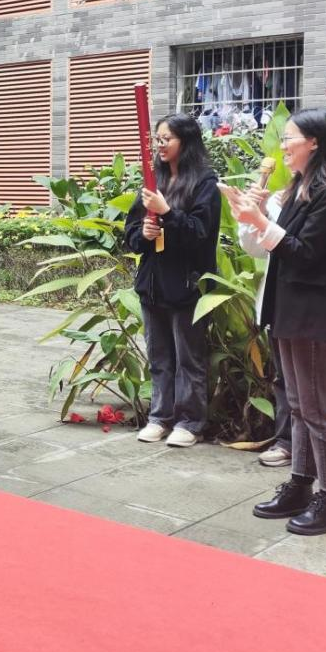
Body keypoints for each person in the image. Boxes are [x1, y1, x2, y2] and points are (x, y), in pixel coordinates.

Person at [227, 109, 326, 536]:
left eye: (290, 138)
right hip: (290, 309)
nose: (283, 146)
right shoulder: (302, 188)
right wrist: (251, 215)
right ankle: (301, 484)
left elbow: (306, 254)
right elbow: (275, 247)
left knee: (320, 409)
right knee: (301, 406)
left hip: (315, 314)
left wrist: (260, 221)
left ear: (315, 142)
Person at [124, 113, 221, 449]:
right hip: (153, 284)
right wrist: (144, 233)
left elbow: (200, 233)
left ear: (186, 141)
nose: (160, 145)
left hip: (187, 285)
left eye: (167, 139)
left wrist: (167, 213)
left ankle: (190, 422)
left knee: (189, 359)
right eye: (157, 139)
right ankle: (160, 417)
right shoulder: (154, 181)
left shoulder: (205, 183)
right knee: (159, 358)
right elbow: (130, 233)